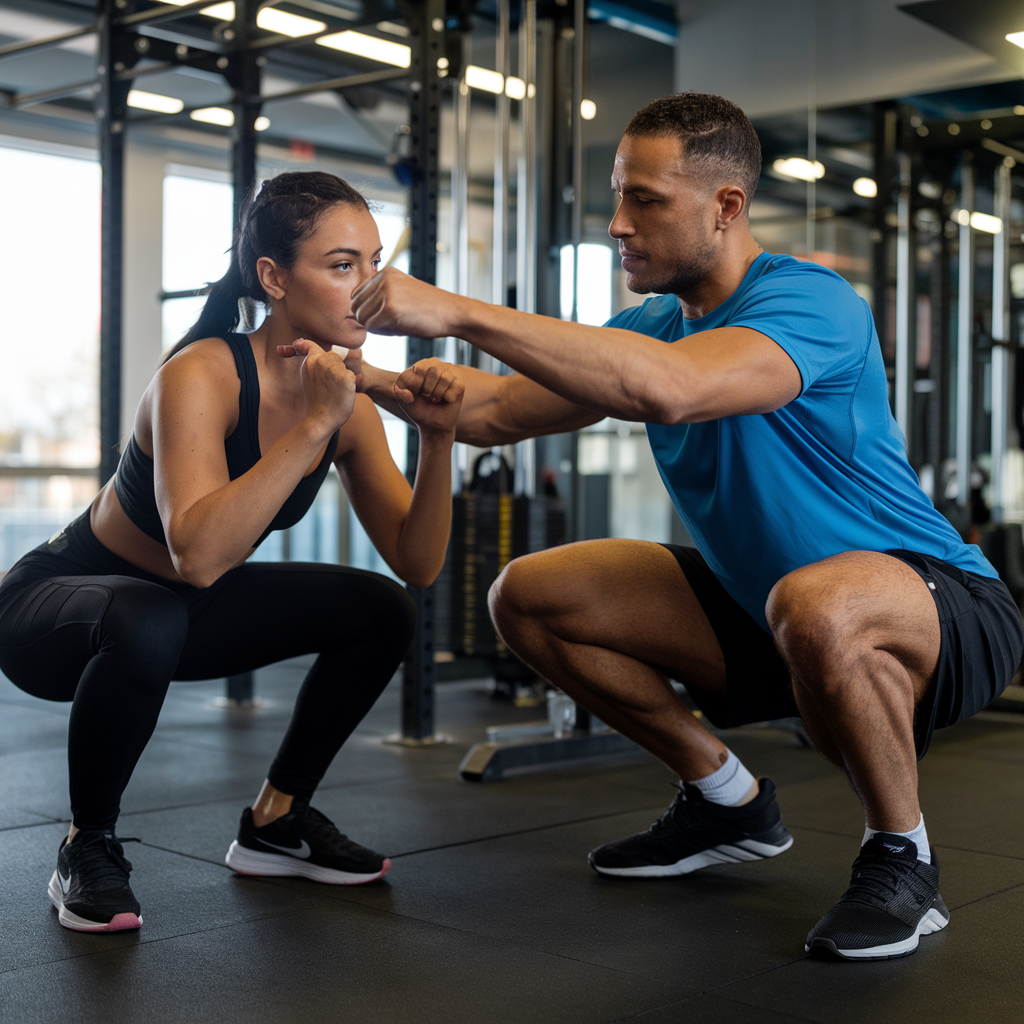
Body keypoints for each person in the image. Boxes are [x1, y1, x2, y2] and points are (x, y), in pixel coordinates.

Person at [349, 93, 1023, 961]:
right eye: (620, 196)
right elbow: (494, 411)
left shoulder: (812, 302)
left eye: (646, 201)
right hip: (771, 612)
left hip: (936, 601)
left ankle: (902, 855)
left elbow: (673, 389)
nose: (619, 223)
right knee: (531, 594)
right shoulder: (653, 324)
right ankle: (725, 799)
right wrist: (355, 373)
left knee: (814, 600)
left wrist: (459, 310)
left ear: (726, 208)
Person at [0, 171, 465, 933]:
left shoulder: (345, 405)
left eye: (373, 264)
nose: (370, 288)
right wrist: (315, 425)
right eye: (343, 265)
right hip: (54, 612)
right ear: (274, 278)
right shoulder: (203, 375)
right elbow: (202, 556)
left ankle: (277, 821)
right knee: (148, 613)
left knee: (379, 609)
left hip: (179, 613)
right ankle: (88, 844)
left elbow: (418, 566)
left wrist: (438, 441)